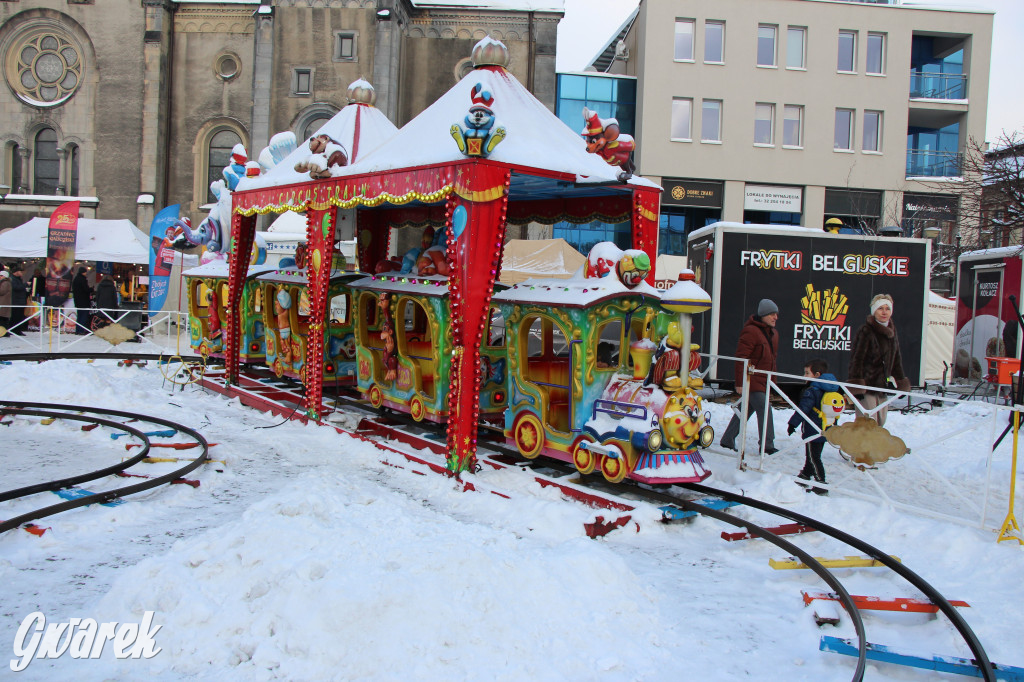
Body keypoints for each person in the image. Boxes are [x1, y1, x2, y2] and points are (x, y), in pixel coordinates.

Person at [720, 298, 780, 454]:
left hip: (764, 381)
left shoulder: (774, 334)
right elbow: (741, 358)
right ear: (764, 315)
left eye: (776, 314)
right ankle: (767, 445)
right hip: (751, 379)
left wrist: (772, 381)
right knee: (764, 409)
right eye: (772, 314)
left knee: (745, 410)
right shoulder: (751, 331)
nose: (775, 317)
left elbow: (772, 360)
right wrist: (740, 382)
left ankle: (727, 439)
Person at [848, 293, 911, 426]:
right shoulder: (866, 330)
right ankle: (861, 447)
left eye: (887, 308)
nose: (884, 312)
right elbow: (857, 360)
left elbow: (896, 360)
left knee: (880, 422)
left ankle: (874, 447)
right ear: (874, 311)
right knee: (867, 422)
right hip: (866, 386)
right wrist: (857, 386)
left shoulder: (892, 332)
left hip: (882, 386)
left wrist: (901, 382)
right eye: (880, 308)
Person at [787, 359, 838, 495]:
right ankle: (804, 476)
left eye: (806, 373)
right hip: (825, 428)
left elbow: (803, 409)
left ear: (816, 374)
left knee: (813, 457)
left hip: (812, 429)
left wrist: (792, 423)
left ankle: (820, 483)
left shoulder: (811, 391)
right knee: (814, 454)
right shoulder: (831, 389)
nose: (803, 376)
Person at [72, 266, 93, 334]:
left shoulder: (76, 279)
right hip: (84, 301)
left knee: (79, 316)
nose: (86, 273)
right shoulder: (82, 279)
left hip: (78, 301)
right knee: (84, 316)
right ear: (83, 272)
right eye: (85, 272)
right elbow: (86, 290)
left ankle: (78, 330)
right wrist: (91, 289)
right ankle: (81, 330)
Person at [8, 264, 28, 335]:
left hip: (20, 301)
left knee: (19, 317)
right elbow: (16, 287)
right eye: (20, 272)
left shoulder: (19, 279)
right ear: (16, 272)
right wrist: (25, 285)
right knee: (15, 316)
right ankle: (12, 329)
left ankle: (17, 330)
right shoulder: (12, 279)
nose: (21, 273)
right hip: (16, 301)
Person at [0, 265, 11, 331]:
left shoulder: (5, 283)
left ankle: (3, 332)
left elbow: (1, 291)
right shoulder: (5, 282)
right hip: (3, 302)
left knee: (3, 319)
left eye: (1, 276)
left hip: (3, 302)